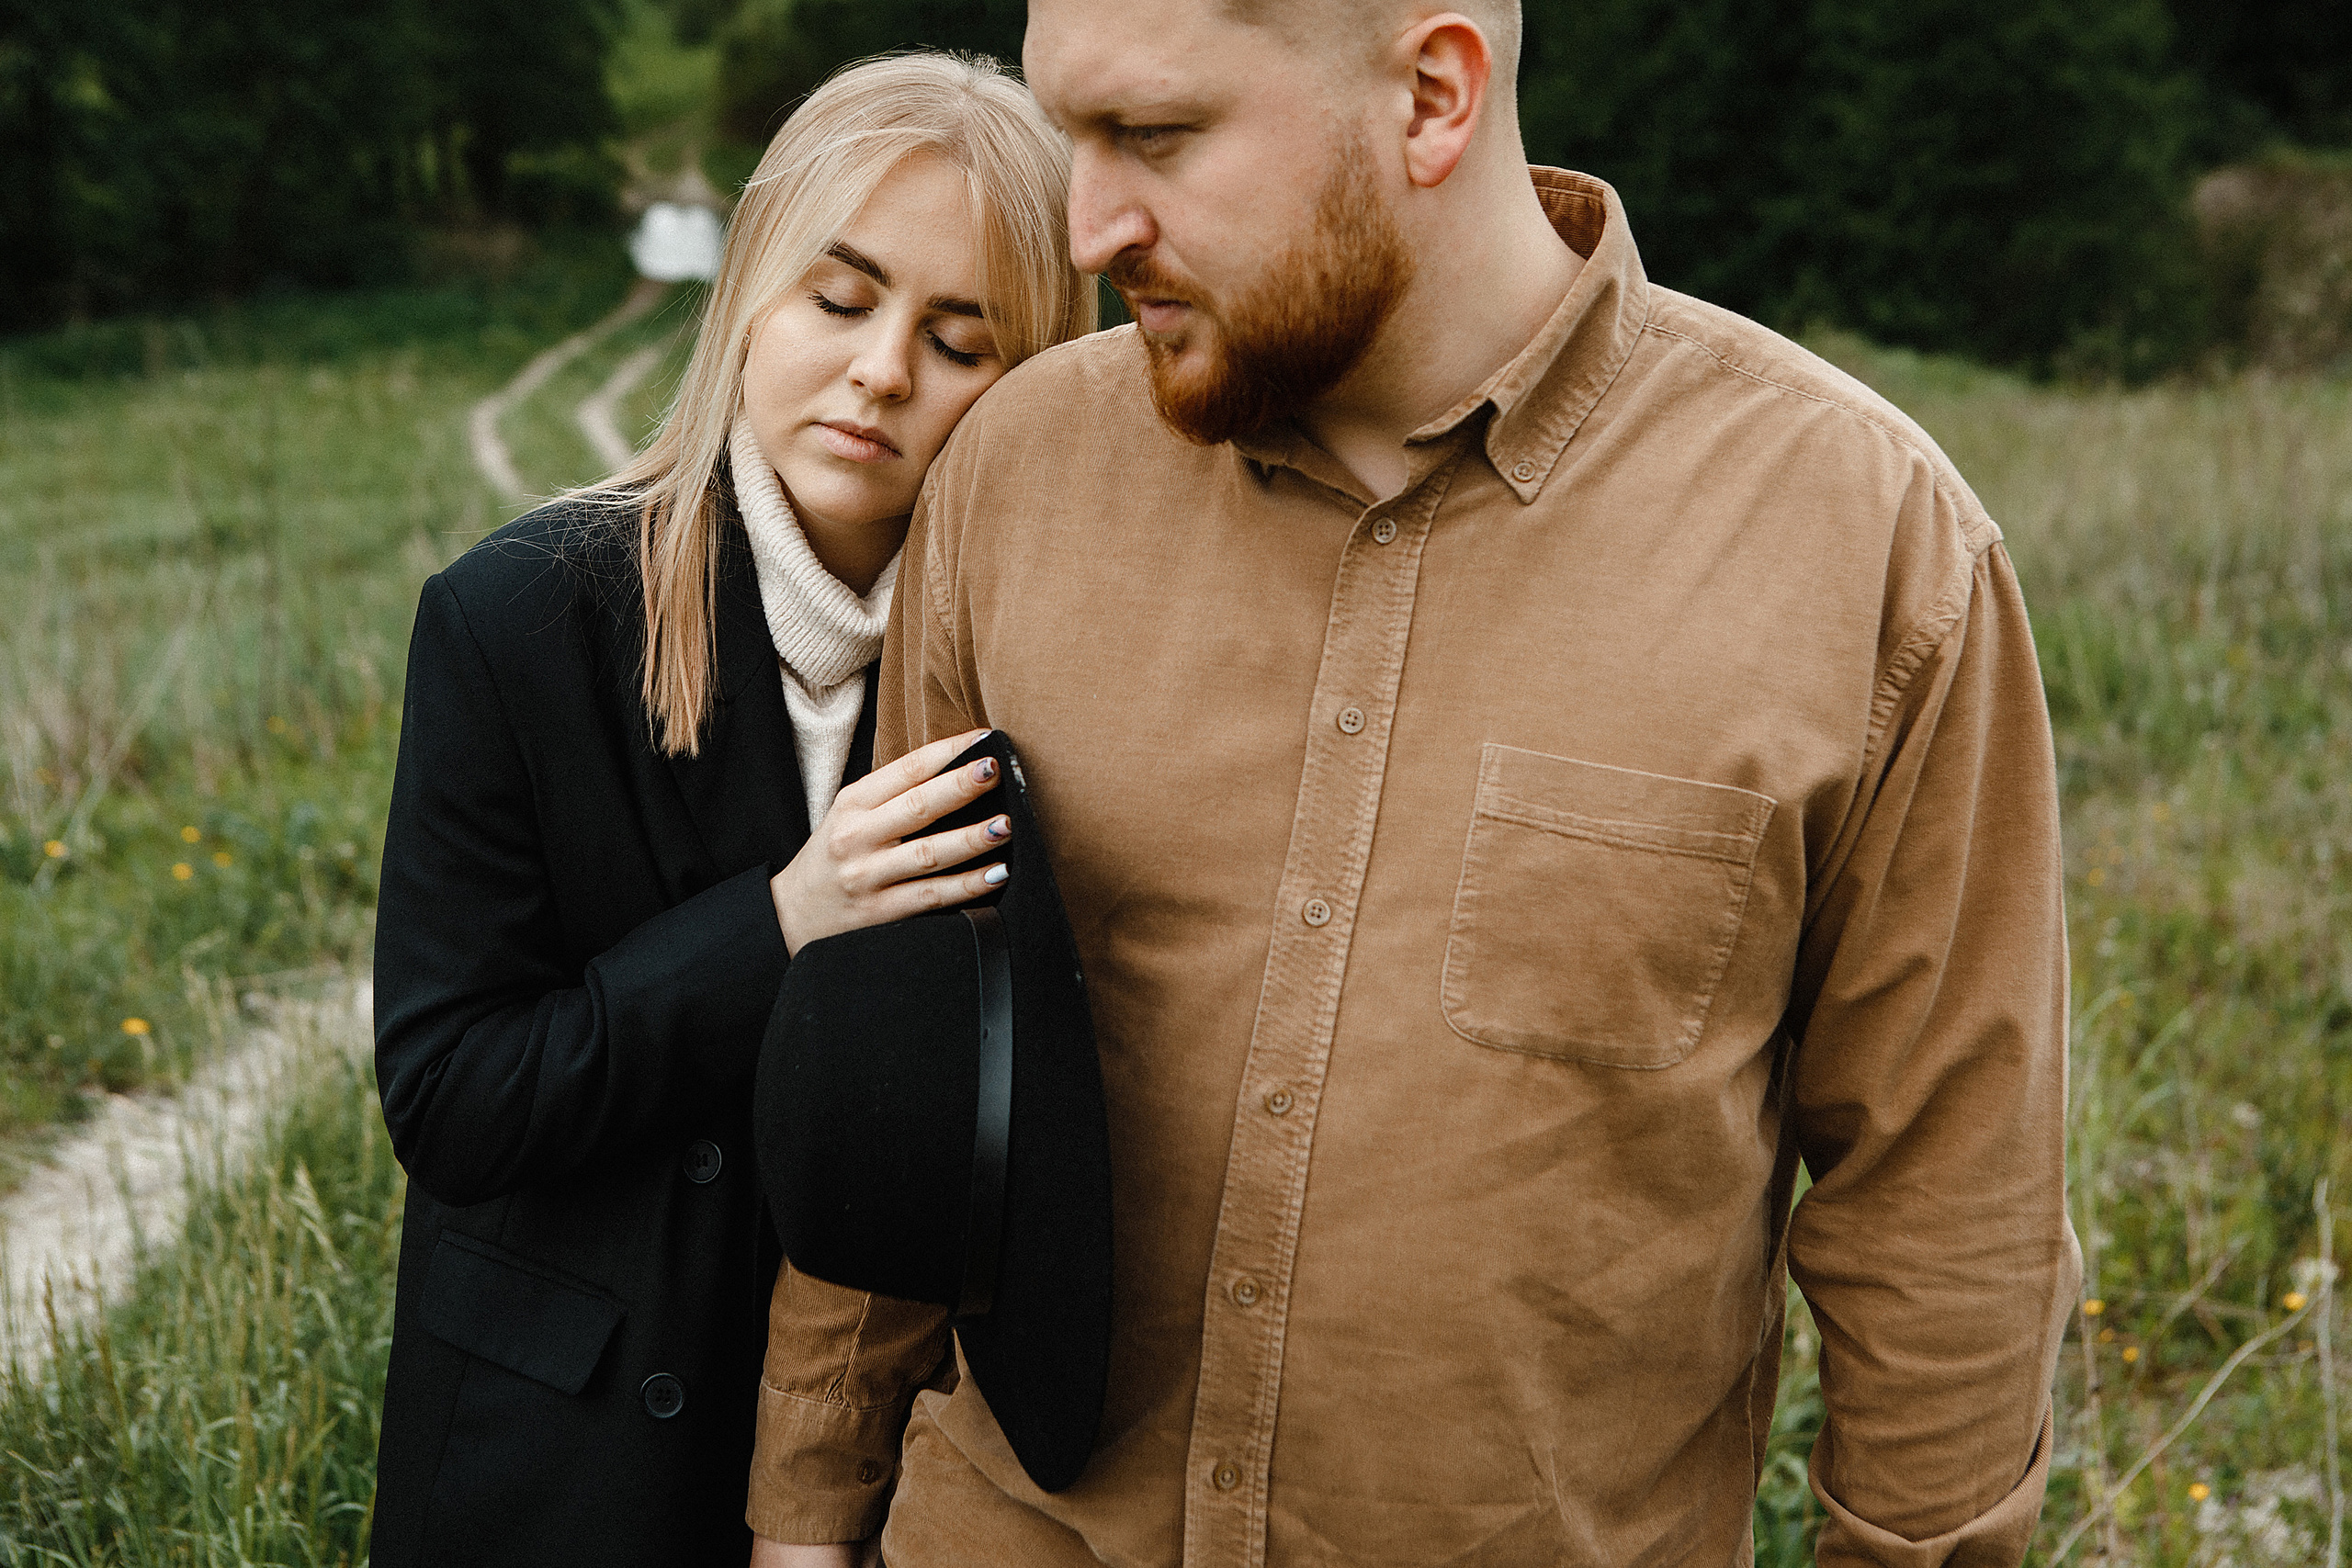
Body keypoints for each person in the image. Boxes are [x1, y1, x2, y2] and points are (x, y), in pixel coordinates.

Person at [745, 1, 2081, 1564]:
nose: (1088, 224)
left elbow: (1946, 1213)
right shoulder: (1014, 473)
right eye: (1071, 132)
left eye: (1155, 137)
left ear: (1435, 98)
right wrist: (805, 1520)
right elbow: (899, 1052)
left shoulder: (1867, 548)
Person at [368, 53, 1094, 1568]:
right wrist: (783, 921)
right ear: (748, 294)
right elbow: (454, 1096)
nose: (883, 371)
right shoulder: (521, 621)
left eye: (960, 341)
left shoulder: (1048, 668)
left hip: (890, 1479)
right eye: (840, 303)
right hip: (556, 1466)